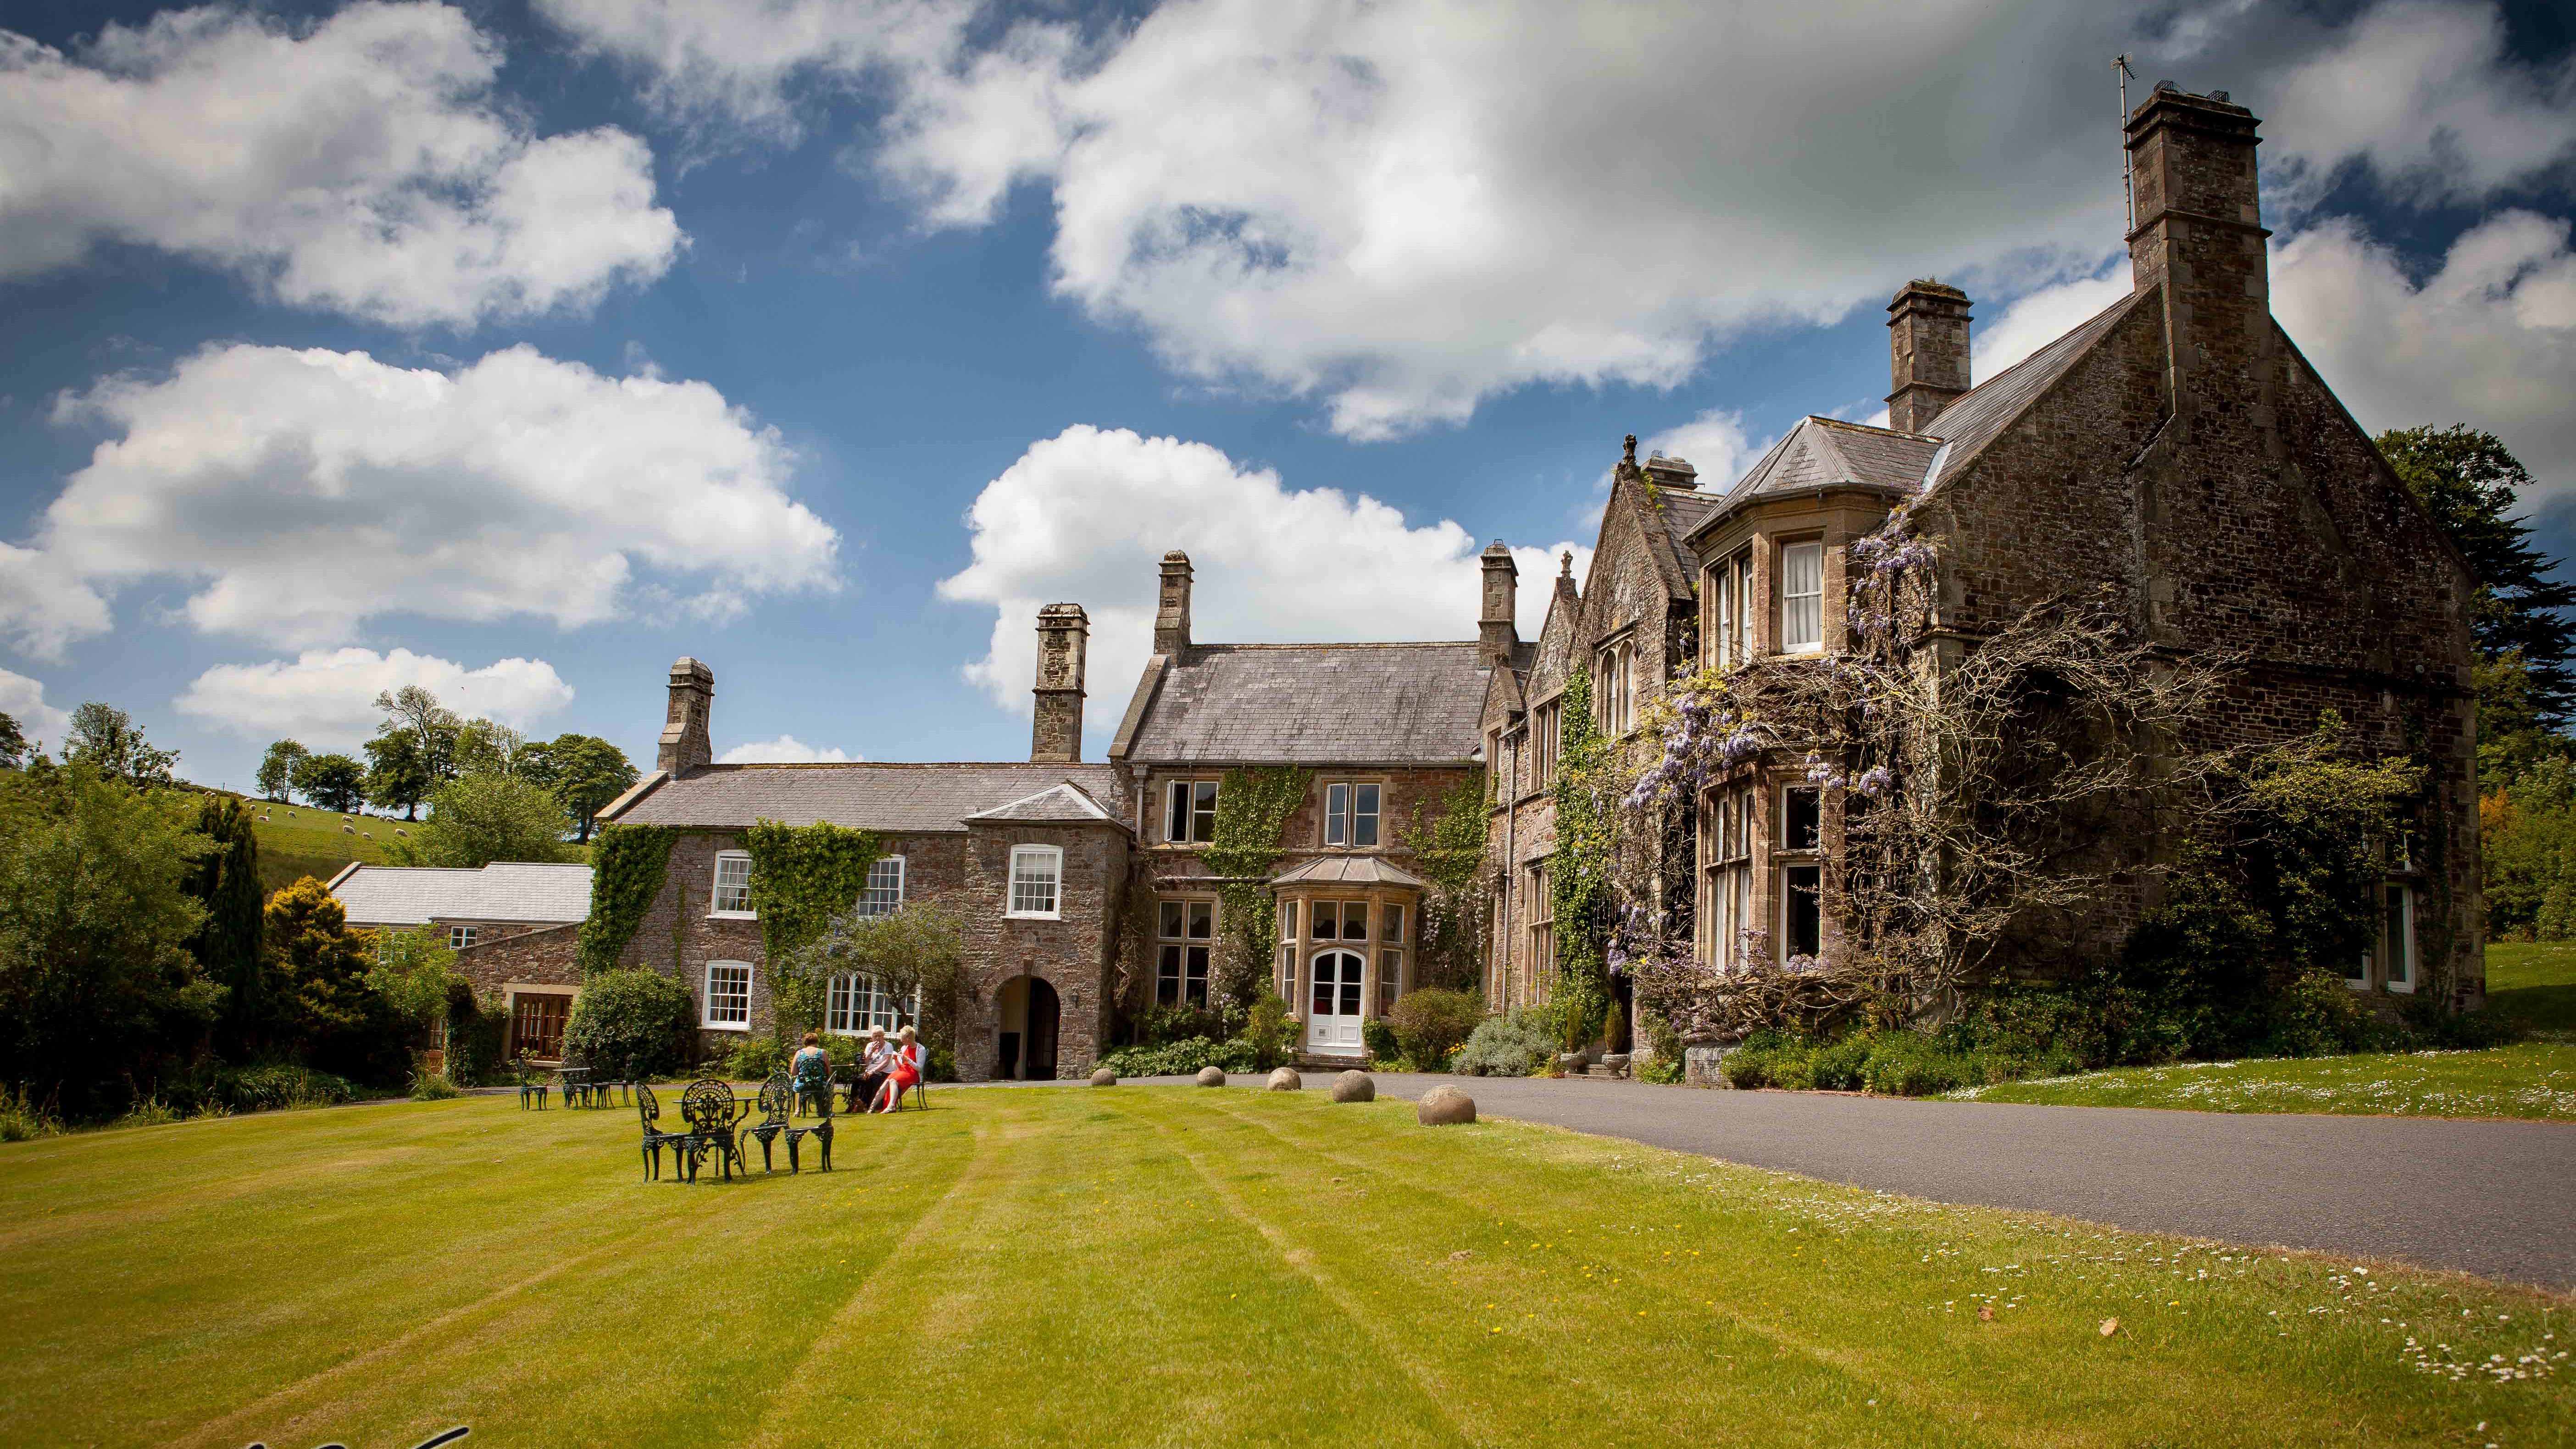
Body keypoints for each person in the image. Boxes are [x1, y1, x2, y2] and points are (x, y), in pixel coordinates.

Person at [874, 1025, 926, 1113]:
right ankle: (875, 1106)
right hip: (903, 1071)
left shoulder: (921, 1049)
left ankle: (891, 1106)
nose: (901, 1040)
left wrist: (908, 1060)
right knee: (889, 1080)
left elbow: (920, 1069)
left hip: (914, 1073)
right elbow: (901, 1066)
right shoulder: (904, 1048)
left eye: (903, 1038)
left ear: (908, 1039)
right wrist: (896, 1060)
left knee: (894, 1081)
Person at [789, 1030, 833, 1117]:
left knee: (800, 1081)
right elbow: (829, 1070)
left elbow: (793, 1072)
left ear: (806, 1042)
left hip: (804, 1084)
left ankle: (798, 1110)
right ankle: (824, 1109)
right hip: (820, 1083)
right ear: (817, 1041)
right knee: (829, 1083)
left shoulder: (799, 1053)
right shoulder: (823, 1052)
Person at [851, 1027, 893, 1116]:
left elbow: (886, 1062)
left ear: (883, 1037)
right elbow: (865, 1063)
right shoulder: (870, 1046)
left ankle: (869, 1105)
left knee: (872, 1079)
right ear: (872, 1038)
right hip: (869, 1071)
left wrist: (873, 1071)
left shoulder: (888, 1046)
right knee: (856, 1079)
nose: (878, 1038)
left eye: (880, 1036)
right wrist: (871, 1052)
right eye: (876, 1036)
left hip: (883, 1071)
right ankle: (856, 1101)